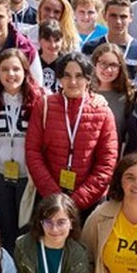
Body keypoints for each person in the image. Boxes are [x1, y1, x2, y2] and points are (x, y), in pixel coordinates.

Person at [25, 52, 119, 212]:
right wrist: (54, 196)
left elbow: (107, 162)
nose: (73, 82)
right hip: (50, 198)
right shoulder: (45, 106)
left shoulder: (102, 111)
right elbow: (33, 151)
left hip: (88, 202)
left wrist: (77, 201)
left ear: (88, 79)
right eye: (67, 75)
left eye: (79, 76)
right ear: (60, 78)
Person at [0, 47, 44, 246]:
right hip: (0, 170)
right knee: (5, 224)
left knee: (26, 226)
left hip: (28, 174)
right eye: (5, 69)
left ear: (25, 72)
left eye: (16, 69)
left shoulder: (39, 99)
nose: (11, 74)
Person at [92, 41, 134, 130]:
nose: (108, 70)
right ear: (95, 64)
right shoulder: (84, 92)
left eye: (114, 65)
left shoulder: (128, 94)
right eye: (103, 64)